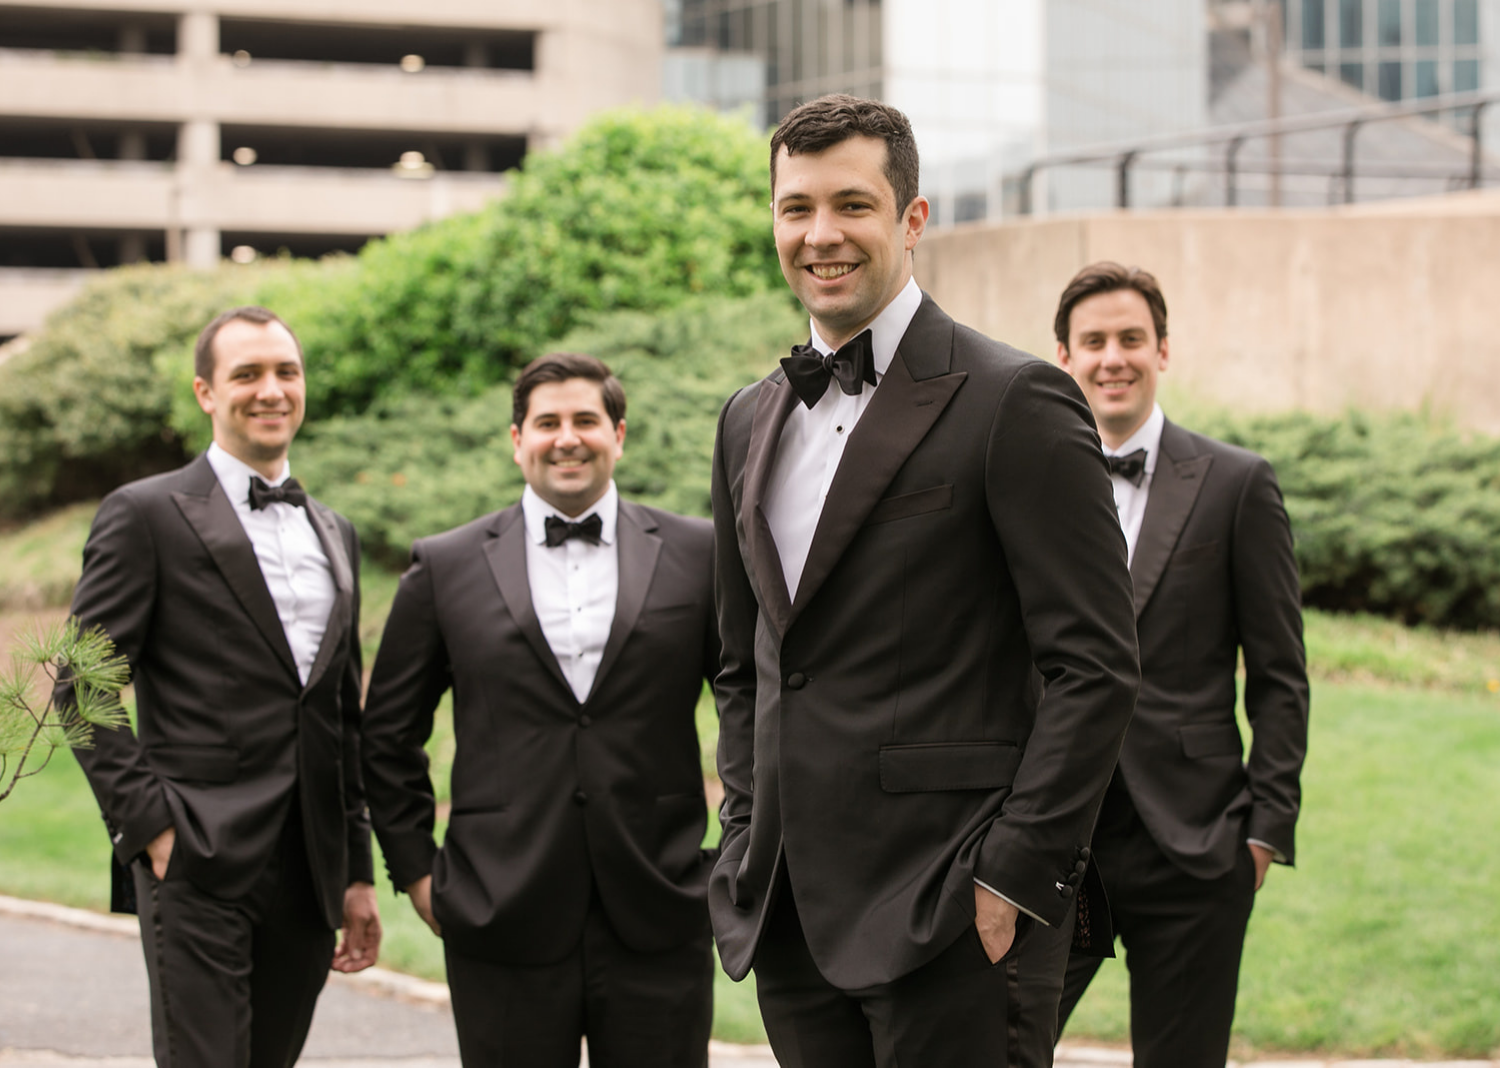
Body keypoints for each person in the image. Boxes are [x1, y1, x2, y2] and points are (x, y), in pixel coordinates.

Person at [708, 93, 1140, 1066]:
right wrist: (744, 828)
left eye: (853, 205)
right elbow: (745, 660)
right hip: (789, 910)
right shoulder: (746, 417)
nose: (821, 234)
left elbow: (1097, 666)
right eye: (796, 208)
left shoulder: (1015, 400)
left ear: (912, 219)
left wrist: (1014, 874)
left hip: (952, 911)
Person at [360, 352, 719, 1068]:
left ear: (618, 433)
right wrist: (417, 871)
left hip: (661, 904)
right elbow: (387, 734)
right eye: (546, 422)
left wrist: (733, 852)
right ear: (516, 438)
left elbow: (751, 708)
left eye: (586, 420)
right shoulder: (444, 565)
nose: (567, 437)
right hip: (499, 911)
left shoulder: (699, 553)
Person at [60, 306, 381, 1068]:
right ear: (206, 393)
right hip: (196, 856)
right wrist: (152, 830)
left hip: (309, 869)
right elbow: (82, 690)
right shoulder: (144, 514)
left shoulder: (334, 532)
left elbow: (340, 716)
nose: (271, 390)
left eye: (286, 372)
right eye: (248, 374)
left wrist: (357, 872)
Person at [1020, 261, 1309, 1067]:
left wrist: (1265, 830)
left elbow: (1281, 674)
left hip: (1195, 841)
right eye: (1094, 341)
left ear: (1164, 350)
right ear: (1064, 357)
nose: (1113, 357)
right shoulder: (1025, 479)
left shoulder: (1237, 484)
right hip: (1052, 834)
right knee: (994, 1046)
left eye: (1131, 339)